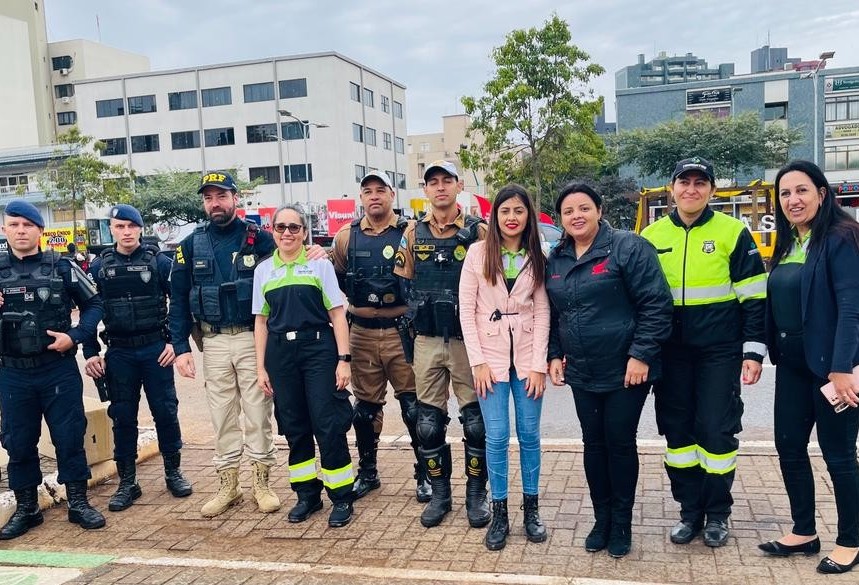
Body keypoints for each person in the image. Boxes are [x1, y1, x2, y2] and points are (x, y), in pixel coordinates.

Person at [641, 157, 767, 547]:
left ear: (711, 190)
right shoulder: (651, 235)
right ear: (671, 187)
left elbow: (754, 297)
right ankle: (689, 512)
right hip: (671, 353)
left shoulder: (733, 232)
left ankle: (717, 514)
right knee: (678, 436)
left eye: (700, 183)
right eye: (684, 182)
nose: (691, 189)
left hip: (719, 352)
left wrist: (753, 352)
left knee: (715, 431)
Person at [546, 184, 673, 557]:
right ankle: (601, 519)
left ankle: (621, 522)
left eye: (584, 208)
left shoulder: (628, 247)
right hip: (581, 371)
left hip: (625, 371)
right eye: (569, 211)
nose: (576, 216)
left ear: (599, 210)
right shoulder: (557, 258)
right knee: (593, 444)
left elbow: (656, 303)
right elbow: (554, 313)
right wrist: (554, 354)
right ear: (561, 219)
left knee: (618, 442)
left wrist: (642, 354)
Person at [758, 160, 859, 574]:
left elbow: (852, 307)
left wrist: (842, 367)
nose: (792, 200)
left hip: (830, 367)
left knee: (838, 455)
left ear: (822, 193)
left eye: (801, 191)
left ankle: (851, 539)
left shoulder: (841, 238)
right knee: (789, 447)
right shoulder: (788, 243)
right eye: (784, 193)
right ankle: (804, 531)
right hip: (793, 364)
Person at [169, 171, 281, 518]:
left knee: (258, 411)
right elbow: (178, 298)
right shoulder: (190, 244)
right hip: (213, 340)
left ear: (236, 198)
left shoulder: (261, 239)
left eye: (221, 196)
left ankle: (261, 483)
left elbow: (284, 275)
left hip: (251, 338)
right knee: (222, 415)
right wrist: (182, 348)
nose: (215, 204)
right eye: (208, 198)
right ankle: (228, 485)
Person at [0, 200, 106, 539]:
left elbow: (94, 304)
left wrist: (74, 337)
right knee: (18, 442)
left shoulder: (62, 266)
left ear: (40, 231)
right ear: (4, 230)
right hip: (12, 371)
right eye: (13, 224)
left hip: (56, 368)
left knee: (69, 436)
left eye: (27, 225)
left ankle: (78, 502)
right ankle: (28, 509)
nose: (20, 231)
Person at [393, 160, 489, 528]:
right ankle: (441, 494)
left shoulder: (479, 232)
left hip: (468, 342)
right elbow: (405, 283)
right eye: (432, 182)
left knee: (476, 424)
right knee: (428, 424)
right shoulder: (413, 233)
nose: (440, 187)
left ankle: (476, 496)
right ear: (425, 190)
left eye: (446, 180)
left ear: (458, 184)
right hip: (428, 339)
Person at [458, 184, 550, 551]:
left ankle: (531, 510)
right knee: (495, 438)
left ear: (528, 215)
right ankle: (500, 513)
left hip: (528, 359)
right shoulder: (479, 254)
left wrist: (540, 364)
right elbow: (466, 310)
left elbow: (543, 310)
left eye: (519, 211)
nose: (512, 218)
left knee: (529, 435)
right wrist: (477, 362)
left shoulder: (537, 254)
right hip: (490, 362)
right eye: (505, 211)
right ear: (494, 216)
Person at [83, 204, 192, 512]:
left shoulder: (159, 262)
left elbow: (180, 302)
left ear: (140, 228)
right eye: (120, 227)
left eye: (132, 226)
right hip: (119, 352)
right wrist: (91, 352)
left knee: (166, 413)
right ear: (112, 230)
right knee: (123, 418)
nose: (126, 232)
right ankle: (128, 482)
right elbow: (88, 310)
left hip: (155, 350)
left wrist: (174, 342)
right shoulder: (98, 267)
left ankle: (173, 473)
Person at [253, 205, 355, 527]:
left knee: (327, 424)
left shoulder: (319, 265)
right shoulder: (263, 271)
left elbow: (338, 314)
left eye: (294, 227)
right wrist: (261, 368)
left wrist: (343, 360)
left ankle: (341, 497)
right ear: (272, 231)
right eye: (281, 227)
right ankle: (307, 495)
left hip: (318, 350)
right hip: (281, 355)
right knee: (295, 428)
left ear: (304, 232)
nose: (287, 233)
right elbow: (261, 321)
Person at [330, 171, 429, 503]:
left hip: (403, 332)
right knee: (365, 409)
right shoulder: (346, 236)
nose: (374, 196)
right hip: (361, 334)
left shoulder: (410, 232)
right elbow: (336, 281)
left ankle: (425, 473)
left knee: (414, 408)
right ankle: (368, 473)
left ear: (391, 195)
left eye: (380, 190)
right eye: (367, 191)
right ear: (361, 198)